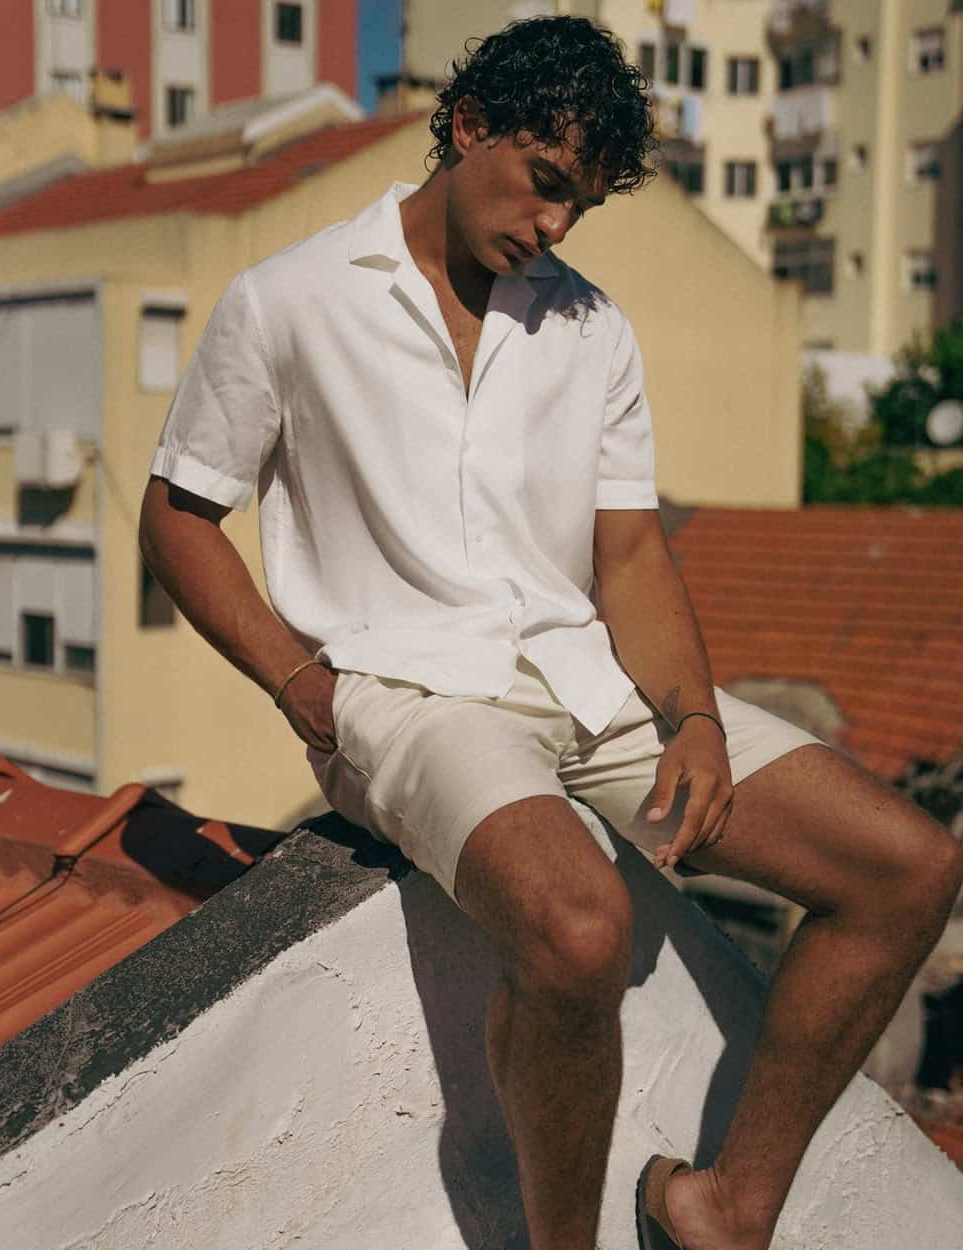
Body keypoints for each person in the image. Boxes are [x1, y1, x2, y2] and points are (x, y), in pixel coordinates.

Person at [138, 16, 962, 1250]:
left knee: (907, 865)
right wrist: (298, 679)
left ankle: (727, 1204)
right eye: (545, 182)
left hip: (585, 680)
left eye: (580, 202)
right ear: (469, 125)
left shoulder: (590, 328)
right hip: (408, 696)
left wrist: (692, 714)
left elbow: (628, 557)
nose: (556, 224)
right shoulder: (290, 300)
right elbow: (178, 514)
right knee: (580, 928)